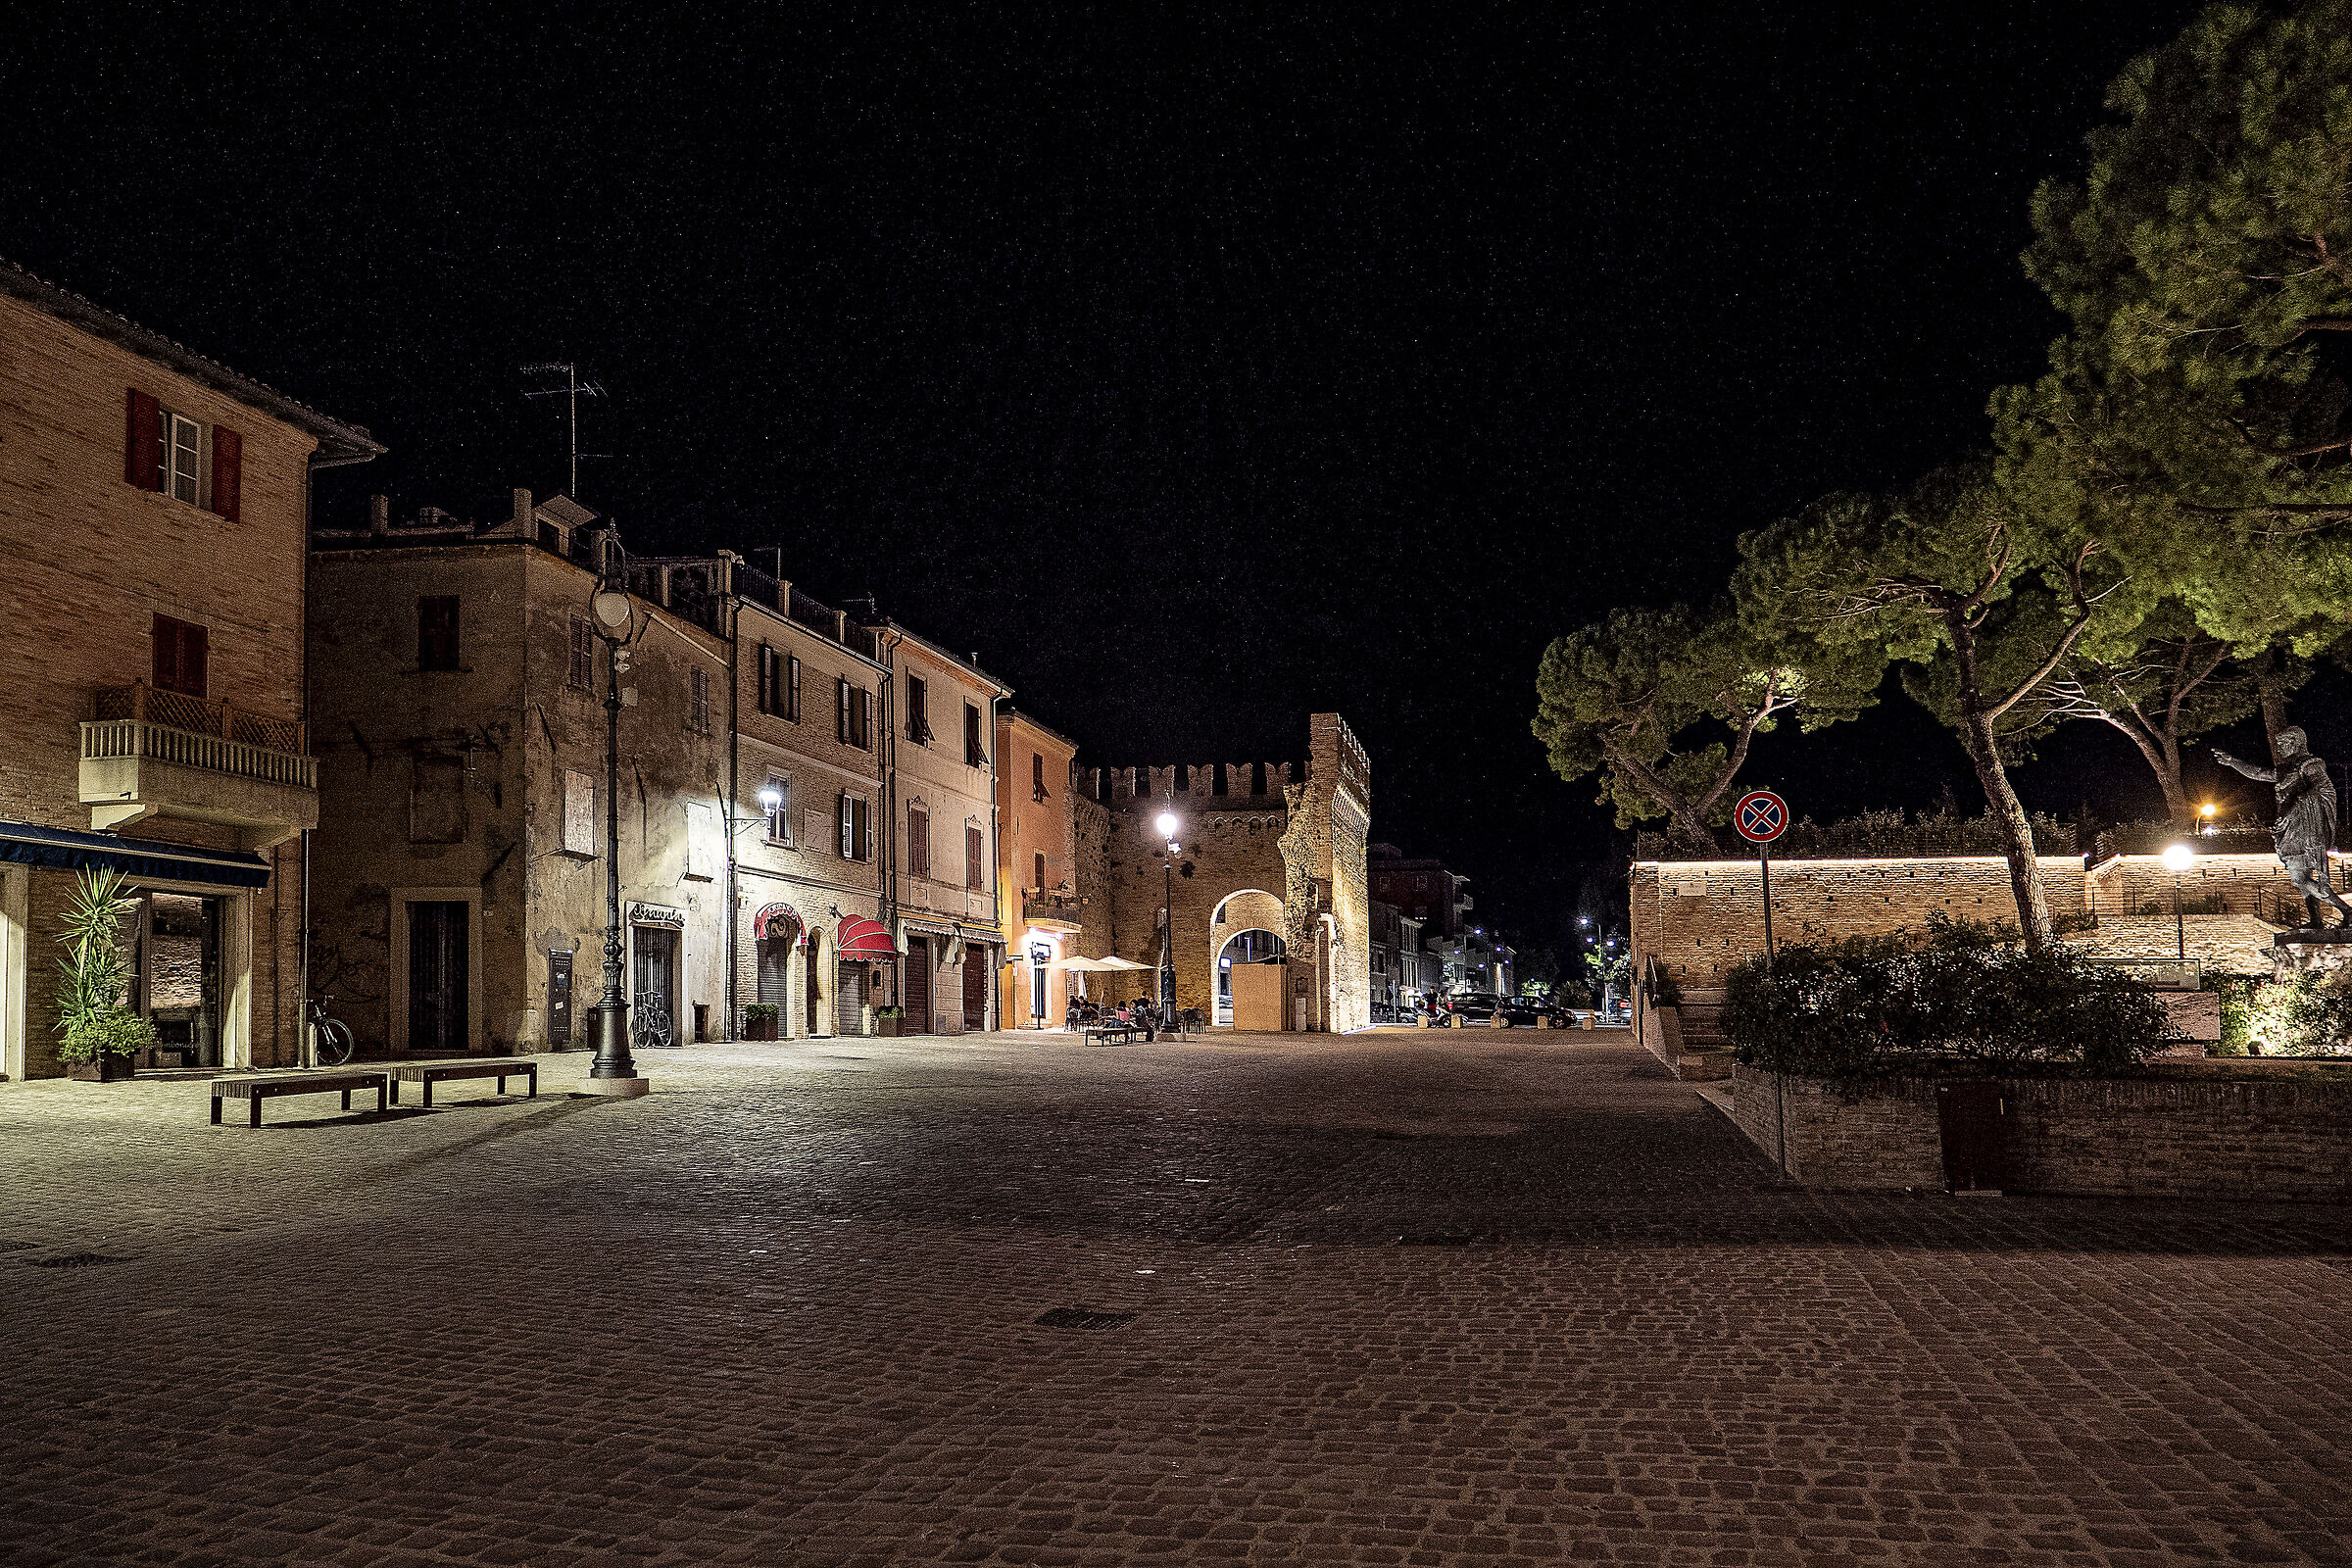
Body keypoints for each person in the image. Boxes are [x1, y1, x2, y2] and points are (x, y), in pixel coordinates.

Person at [2216, 726, 2352, 929]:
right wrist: (2233, 762)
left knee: (2299, 878)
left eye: (2283, 744)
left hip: (2304, 828)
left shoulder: (2310, 765)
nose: (2280, 749)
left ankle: (2347, 911)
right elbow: (2260, 773)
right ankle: (2316, 920)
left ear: (2295, 742)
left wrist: (2299, 803)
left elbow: (2326, 790)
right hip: (2289, 827)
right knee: (2301, 877)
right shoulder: (2286, 769)